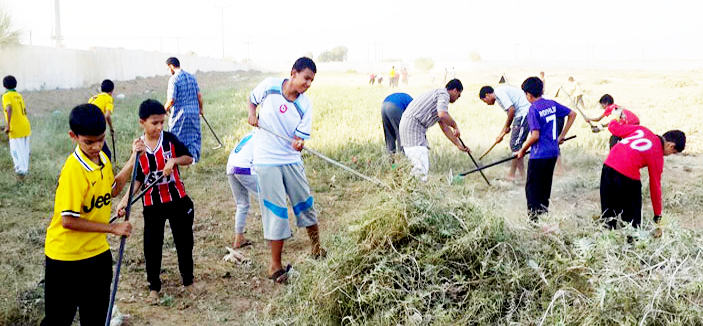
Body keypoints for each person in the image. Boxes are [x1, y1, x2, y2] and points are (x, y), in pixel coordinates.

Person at [41, 104, 140, 325]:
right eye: (89, 142)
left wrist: (133, 159)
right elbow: (68, 220)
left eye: (101, 139)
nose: (96, 146)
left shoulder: (102, 159)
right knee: (58, 319)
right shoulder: (73, 172)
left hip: (97, 255)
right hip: (66, 259)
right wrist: (112, 228)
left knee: (95, 316)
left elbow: (111, 189)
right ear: (73, 136)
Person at [247, 57, 325, 283]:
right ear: (293, 73)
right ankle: (275, 266)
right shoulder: (270, 86)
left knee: (304, 203)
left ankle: (317, 249)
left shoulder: (305, 104)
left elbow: (299, 138)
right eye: (306, 78)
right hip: (266, 160)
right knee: (277, 210)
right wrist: (252, 114)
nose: (308, 84)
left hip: (290, 159)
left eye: (312, 80)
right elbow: (251, 100)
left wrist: (298, 142)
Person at [116, 99, 196, 304]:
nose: (160, 127)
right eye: (155, 123)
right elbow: (139, 178)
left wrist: (174, 161)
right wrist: (125, 201)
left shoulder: (169, 140)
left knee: (184, 240)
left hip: (177, 199)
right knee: (152, 245)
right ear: (142, 122)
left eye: (162, 122)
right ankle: (154, 286)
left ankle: (188, 281)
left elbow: (189, 157)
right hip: (152, 204)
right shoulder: (139, 149)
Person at [600, 119, 685, 229]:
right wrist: (657, 215)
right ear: (671, 146)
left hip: (608, 165)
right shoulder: (657, 153)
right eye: (673, 153)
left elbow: (614, 128)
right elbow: (655, 186)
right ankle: (632, 237)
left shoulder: (642, 130)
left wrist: (616, 120)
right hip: (627, 174)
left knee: (608, 210)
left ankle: (607, 234)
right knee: (632, 217)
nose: (669, 155)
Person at [517, 77, 577, 220]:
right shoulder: (551, 104)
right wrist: (561, 136)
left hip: (538, 155)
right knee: (545, 187)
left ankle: (533, 221)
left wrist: (522, 149)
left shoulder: (533, 109)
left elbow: (535, 135)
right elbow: (572, 114)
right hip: (552, 153)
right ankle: (544, 216)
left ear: (528, 94)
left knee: (532, 190)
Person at [399, 79, 468, 182]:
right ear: (454, 90)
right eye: (459, 95)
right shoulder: (443, 94)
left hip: (411, 128)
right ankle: (418, 193)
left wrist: (458, 144)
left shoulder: (439, 96)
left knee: (417, 166)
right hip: (413, 128)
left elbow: (445, 127)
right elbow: (443, 115)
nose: (458, 98)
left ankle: (414, 189)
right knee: (420, 167)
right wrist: (455, 126)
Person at [479, 85, 532, 180]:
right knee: (515, 145)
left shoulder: (499, 93)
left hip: (524, 113)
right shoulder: (499, 97)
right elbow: (509, 114)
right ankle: (514, 174)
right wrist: (502, 132)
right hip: (520, 115)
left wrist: (507, 126)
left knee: (515, 145)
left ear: (487, 95)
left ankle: (521, 177)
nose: (486, 103)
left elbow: (512, 110)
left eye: (484, 101)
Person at [164, 57, 203, 163]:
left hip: (179, 115)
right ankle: (193, 159)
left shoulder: (174, 79)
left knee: (175, 136)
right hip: (194, 113)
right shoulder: (191, 77)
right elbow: (199, 95)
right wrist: (200, 109)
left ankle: (176, 159)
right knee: (193, 136)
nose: (169, 71)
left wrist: (163, 110)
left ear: (171, 66)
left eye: (168, 69)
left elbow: (171, 100)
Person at [226, 130, 258, 248]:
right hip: (244, 167)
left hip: (231, 166)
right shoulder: (264, 136)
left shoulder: (251, 133)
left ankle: (239, 238)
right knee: (268, 200)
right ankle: (276, 235)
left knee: (242, 203)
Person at [2, 75, 31, 180]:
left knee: (16, 152)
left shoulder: (6, 96)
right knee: (24, 151)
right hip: (25, 126)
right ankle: (25, 172)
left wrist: (8, 125)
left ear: (4, 85)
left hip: (16, 128)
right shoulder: (19, 95)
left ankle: (20, 176)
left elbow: (9, 108)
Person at [88, 79, 116, 161]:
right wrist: (98, 123)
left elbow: (107, 117)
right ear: (111, 91)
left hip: (86, 128)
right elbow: (107, 114)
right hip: (95, 128)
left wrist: (111, 128)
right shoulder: (108, 98)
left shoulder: (92, 98)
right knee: (107, 154)